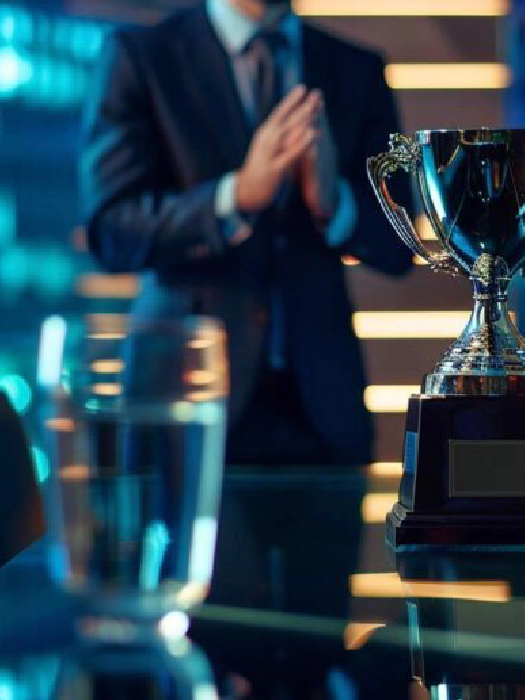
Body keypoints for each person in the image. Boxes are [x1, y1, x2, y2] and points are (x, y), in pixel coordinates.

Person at [80, 0, 412, 465]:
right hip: (187, 398)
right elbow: (112, 230)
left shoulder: (355, 67)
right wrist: (233, 198)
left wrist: (334, 203)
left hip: (324, 408)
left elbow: (399, 245)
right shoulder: (142, 56)